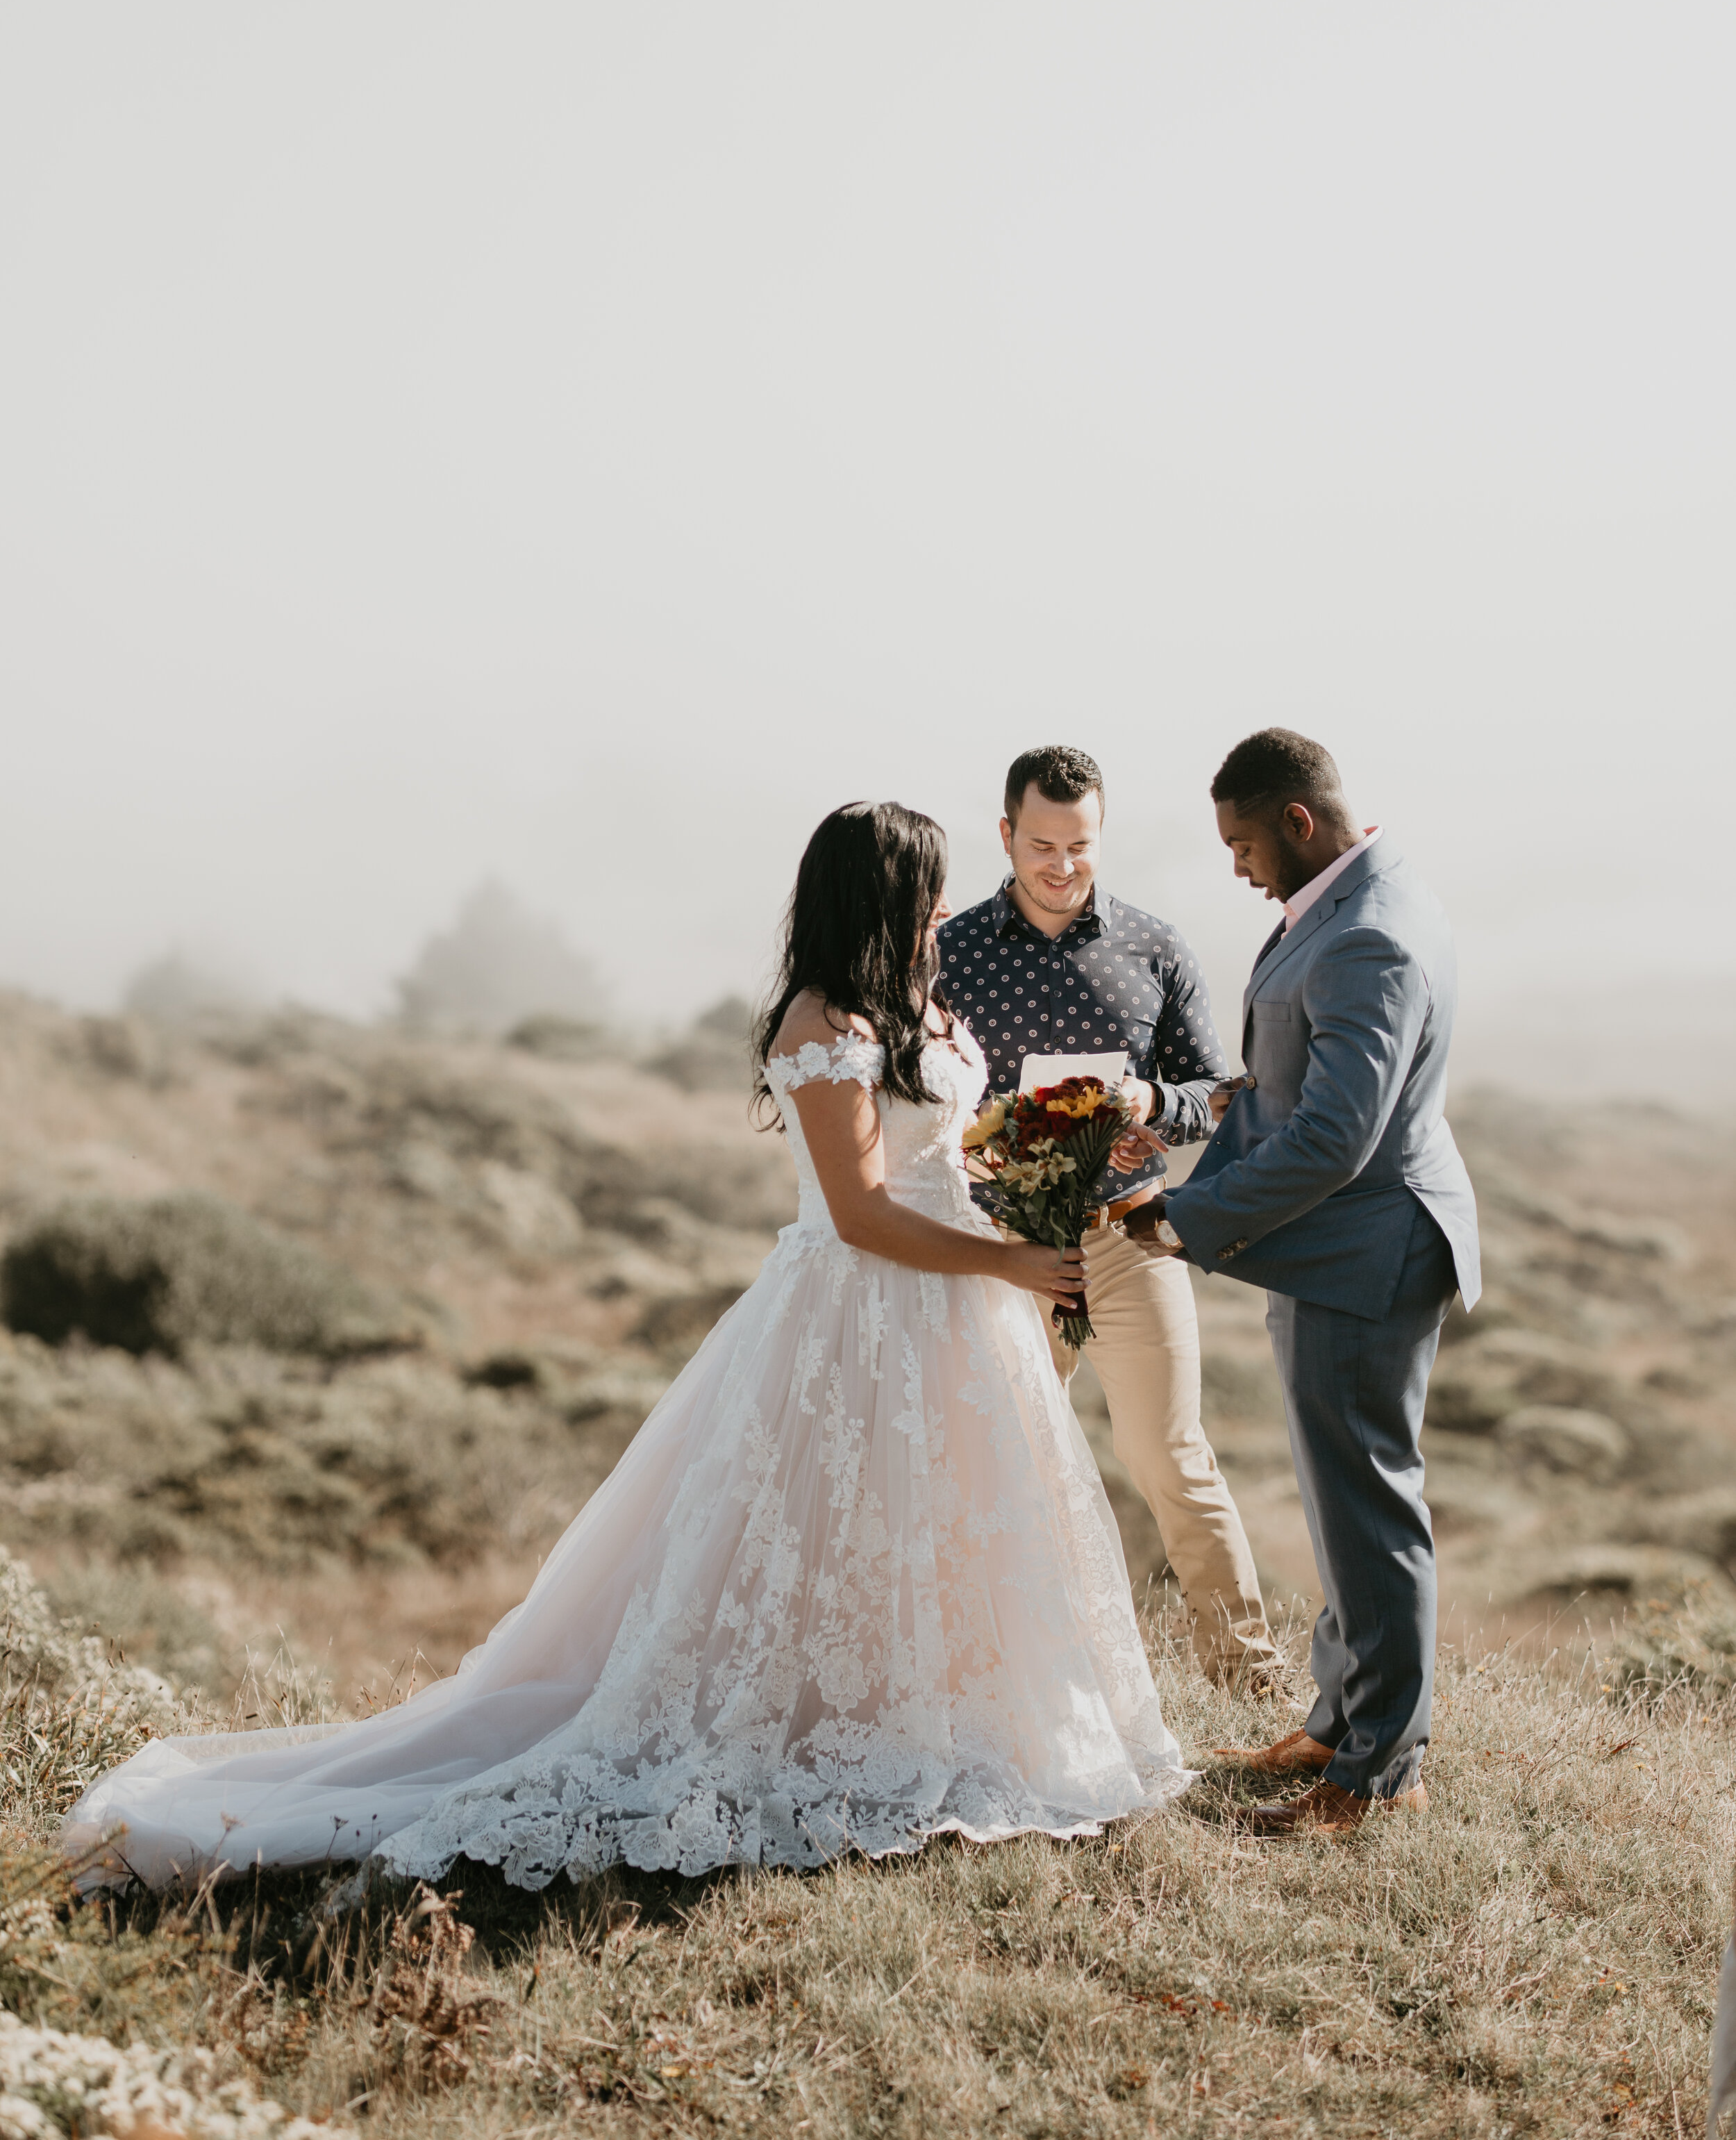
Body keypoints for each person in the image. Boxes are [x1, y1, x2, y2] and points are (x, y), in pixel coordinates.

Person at [67, 802, 1188, 1895]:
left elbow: (945, 1158)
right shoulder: (824, 1027)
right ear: (886, 895)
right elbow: (859, 1212)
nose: (947, 905)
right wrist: (1005, 1264)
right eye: (929, 886)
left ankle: (936, 1713)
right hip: (859, 1305)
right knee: (820, 1523)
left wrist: (1037, 1194)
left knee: (942, 1519)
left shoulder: (919, 1010)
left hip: (958, 1306)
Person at [1122, 729, 1480, 1834]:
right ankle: (1340, 1719)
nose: (1234, 865)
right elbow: (1309, 1072)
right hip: (1337, 1241)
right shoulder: (1358, 891)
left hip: (1364, 1249)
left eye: (1241, 842)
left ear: (1298, 822)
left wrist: (1188, 1216)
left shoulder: (1369, 936)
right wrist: (1237, 1096)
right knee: (1339, 1499)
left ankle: (1378, 1774)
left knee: (1370, 1507)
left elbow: (1335, 1135)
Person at [939, 745, 1285, 1693]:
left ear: (1103, 836)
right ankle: (992, 1675)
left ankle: (1250, 1679)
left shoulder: (1156, 946)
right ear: (1006, 835)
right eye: (1041, 844)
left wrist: (1149, 1101)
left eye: (1079, 845)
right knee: (992, 1460)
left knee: (1173, 1456)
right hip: (1001, 1245)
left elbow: (1221, 1091)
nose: (1060, 864)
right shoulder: (948, 954)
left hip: (1133, 1232)